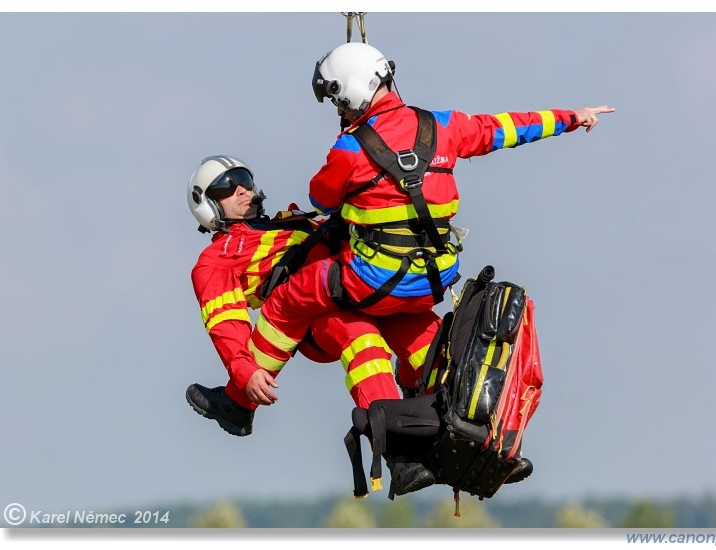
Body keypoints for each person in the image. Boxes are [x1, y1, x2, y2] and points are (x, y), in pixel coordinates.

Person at [242, 41, 615, 401]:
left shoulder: (350, 148)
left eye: (338, 102)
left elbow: (319, 199)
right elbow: (505, 128)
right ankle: (421, 406)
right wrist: (571, 117)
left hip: (372, 280)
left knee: (290, 297)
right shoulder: (443, 126)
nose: (339, 110)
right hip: (432, 279)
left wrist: (348, 142)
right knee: (421, 342)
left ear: (348, 95)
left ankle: (244, 394)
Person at [184, 154, 442, 469]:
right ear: (207, 205)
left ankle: (459, 428)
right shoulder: (215, 259)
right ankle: (400, 455)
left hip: (360, 288)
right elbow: (225, 320)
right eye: (226, 187)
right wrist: (244, 372)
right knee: (359, 335)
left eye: (245, 181)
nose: (241, 190)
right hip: (313, 319)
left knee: (432, 342)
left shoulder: (290, 220)